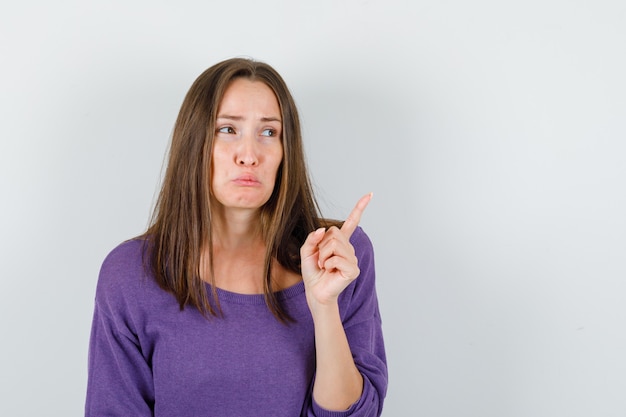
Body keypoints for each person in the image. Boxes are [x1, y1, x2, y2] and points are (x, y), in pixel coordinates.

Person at [85, 57, 387, 416]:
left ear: (285, 152)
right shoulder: (130, 273)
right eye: (227, 129)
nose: (249, 155)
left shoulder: (339, 256)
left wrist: (323, 306)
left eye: (269, 132)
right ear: (194, 143)